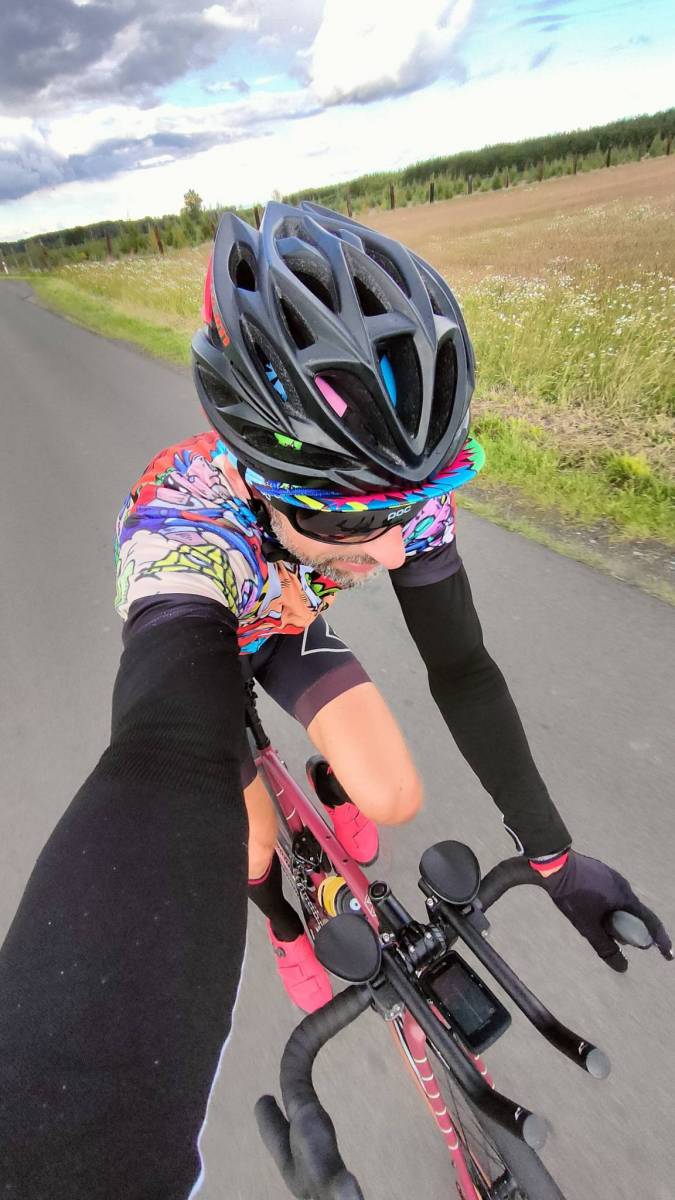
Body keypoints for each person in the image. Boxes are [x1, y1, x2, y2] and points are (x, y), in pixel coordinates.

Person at [0, 202, 670, 1199]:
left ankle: (325, 782)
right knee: (247, 846)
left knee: (393, 795)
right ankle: (283, 922)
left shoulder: (397, 488)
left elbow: (463, 668)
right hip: (207, 640)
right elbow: (159, 766)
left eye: (416, 504)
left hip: (284, 622)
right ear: (271, 477)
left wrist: (553, 855)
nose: (397, 547)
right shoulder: (181, 527)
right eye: (359, 518)